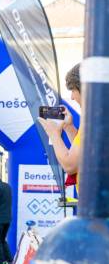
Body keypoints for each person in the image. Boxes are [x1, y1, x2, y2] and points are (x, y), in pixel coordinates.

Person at [37, 63, 82, 193]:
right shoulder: (97, 115)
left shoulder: (95, 117)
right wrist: (69, 127)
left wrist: (54, 135)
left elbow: (70, 165)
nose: (72, 97)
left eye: (73, 90)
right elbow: (84, 152)